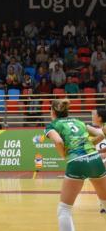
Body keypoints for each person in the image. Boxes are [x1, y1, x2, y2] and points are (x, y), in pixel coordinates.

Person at [45, 99, 106, 230]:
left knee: (64, 209)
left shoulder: (52, 125)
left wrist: (64, 156)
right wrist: (89, 145)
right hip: (95, 159)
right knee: (105, 203)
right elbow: (101, 135)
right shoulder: (79, 121)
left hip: (77, 162)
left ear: (53, 112)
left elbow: (59, 141)